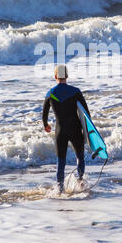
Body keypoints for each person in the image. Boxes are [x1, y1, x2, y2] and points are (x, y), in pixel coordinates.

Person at [42, 64, 90, 193]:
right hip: (75, 129)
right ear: (67, 76)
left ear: (55, 76)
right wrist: (88, 131)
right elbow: (86, 113)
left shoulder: (50, 93)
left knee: (61, 162)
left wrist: (46, 125)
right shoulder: (75, 91)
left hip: (60, 131)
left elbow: (44, 115)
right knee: (80, 157)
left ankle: (59, 190)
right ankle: (80, 183)